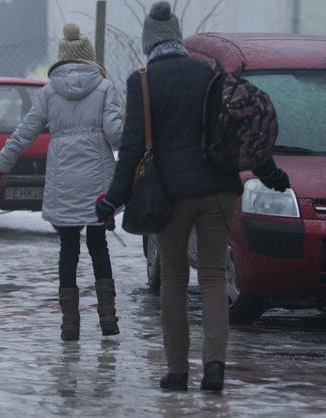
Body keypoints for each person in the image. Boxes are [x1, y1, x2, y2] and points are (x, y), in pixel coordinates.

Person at [96, 2, 290, 392]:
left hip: (172, 198)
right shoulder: (208, 74)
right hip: (219, 191)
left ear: (149, 42)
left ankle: (177, 371)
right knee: (215, 276)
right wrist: (272, 176)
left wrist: (111, 200)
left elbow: (132, 149)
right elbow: (236, 132)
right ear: (177, 38)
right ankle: (215, 367)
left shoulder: (143, 82)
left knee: (174, 278)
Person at [0, 23, 124, 341]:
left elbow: (24, 133)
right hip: (97, 183)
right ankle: (107, 320)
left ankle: (70, 324)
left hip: (63, 182)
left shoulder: (48, 92)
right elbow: (116, 135)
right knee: (99, 246)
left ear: (62, 58)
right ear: (89, 56)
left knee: (68, 250)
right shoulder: (104, 87)